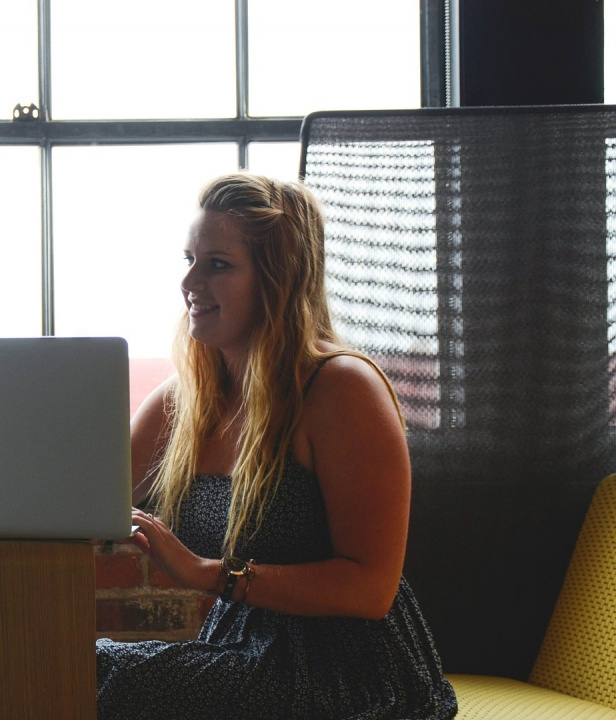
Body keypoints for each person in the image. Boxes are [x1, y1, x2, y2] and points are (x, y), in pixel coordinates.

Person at [96, 173, 457, 719]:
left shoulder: (340, 388)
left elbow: (370, 589)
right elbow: (85, 503)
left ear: (277, 279)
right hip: (237, 656)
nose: (190, 281)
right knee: (67, 666)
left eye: (217, 264)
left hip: (348, 679)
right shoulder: (186, 402)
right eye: (189, 259)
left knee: (101, 683)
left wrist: (205, 571)